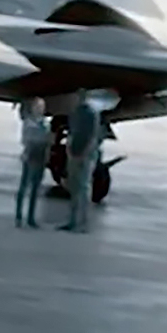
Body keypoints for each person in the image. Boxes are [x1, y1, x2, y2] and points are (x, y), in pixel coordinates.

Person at [60, 91, 102, 233]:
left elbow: (92, 136)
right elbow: (72, 133)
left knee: (83, 188)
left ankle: (82, 223)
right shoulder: (75, 113)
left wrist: (83, 154)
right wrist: (69, 150)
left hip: (85, 155)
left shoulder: (90, 114)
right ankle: (73, 221)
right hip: (74, 152)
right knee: (75, 187)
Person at [14, 99, 48, 228]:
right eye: (37, 106)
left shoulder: (44, 122)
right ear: (33, 108)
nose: (40, 109)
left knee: (35, 188)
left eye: (42, 107)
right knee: (24, 186)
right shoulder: (29, 122)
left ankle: (31, 217)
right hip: (30, 156)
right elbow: (26, 139)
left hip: (40, 157)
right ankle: (19, 215)